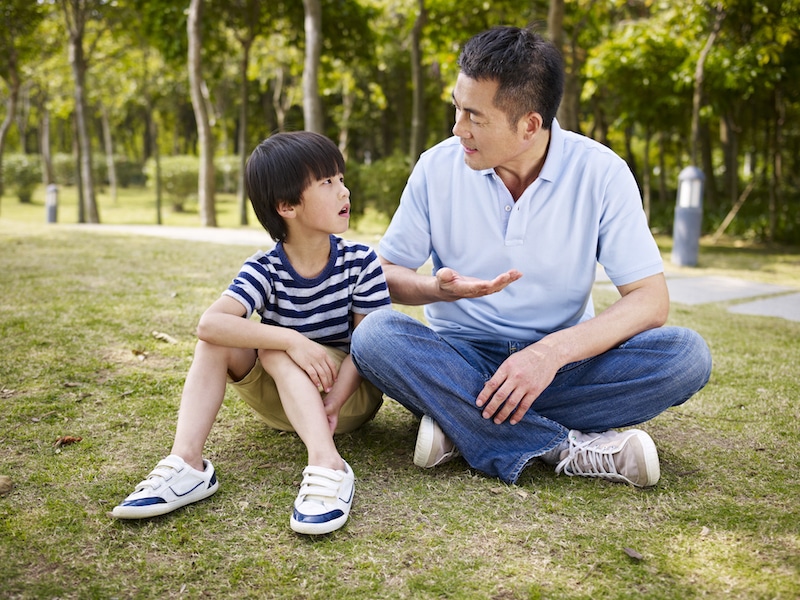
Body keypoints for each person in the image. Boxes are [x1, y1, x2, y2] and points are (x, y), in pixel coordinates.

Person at [350, 26, 712, 488]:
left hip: (564, 363)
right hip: (461, 357)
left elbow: (649, 300)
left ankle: (461, 423)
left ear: (530, 125)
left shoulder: (602, 172)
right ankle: (563, 447)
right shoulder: (436, 167)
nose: (457, 128)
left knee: (686, 356)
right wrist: (434, 289)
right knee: (376, 336)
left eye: (474, 117)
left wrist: (548, 355)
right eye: (456, 108)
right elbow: (387, 274)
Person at [113, 131, 391, 534]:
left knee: (273, 347)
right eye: (327, 183)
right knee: (228, 343)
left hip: (346, 399)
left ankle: (327, 462)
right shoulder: (265, 268)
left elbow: (369, 346)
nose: (343, 191)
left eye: (341, 179)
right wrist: (291, 339)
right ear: (287, 206)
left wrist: (331, 403)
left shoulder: (360, 261)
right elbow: (209, 323)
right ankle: (188, 463)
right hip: (284, 402)